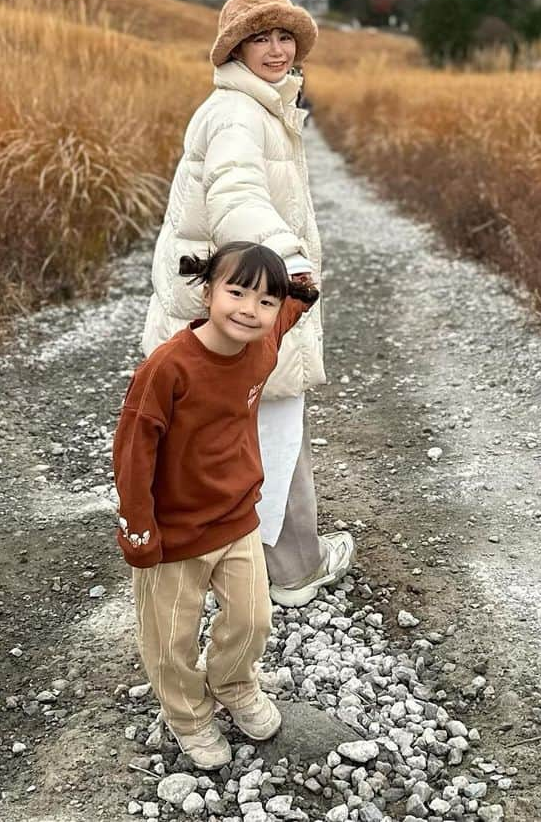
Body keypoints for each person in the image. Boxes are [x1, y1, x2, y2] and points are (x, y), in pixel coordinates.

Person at [143, 0, 354, 607]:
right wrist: (285, 261)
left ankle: (222, 563)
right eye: (260, 38)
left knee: (228, 429)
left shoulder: (255, 106)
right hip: (243, 303)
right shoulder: (240, 114)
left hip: (219, 300)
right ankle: (292, 569)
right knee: (275, 422)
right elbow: (234, 193)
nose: (276, 48)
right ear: (236, 48)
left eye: (285, 36)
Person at [113, 242, 319, 769]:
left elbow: (292, 309)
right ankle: (188, 716)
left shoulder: (262, 343)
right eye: (237, 292)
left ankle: (233, 684)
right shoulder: (167, 370)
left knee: (253, 619)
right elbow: (133, 451)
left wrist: (300, 289)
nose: (251, 309)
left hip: (237, 519)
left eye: (265, 300)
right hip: (175, 533)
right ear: (207, 291)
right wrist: (139, 530)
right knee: (170, 640)